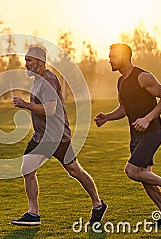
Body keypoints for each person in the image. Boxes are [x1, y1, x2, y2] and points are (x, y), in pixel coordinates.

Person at [11, 44, 107, 226]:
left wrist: (26, 104)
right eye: (26, 60)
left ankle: (97, 203)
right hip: (41, 136)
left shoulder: (47, 80)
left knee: (74, 170)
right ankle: (33, 214)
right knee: (28, 170)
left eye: (29, 60)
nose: (26, 64)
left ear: (40, 61)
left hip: (56, 136)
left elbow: (50, 109)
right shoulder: (39, 79)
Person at [94, 43, 161, 225]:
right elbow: (124, 109)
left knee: (132, 171)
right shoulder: (121, 82)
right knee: (145, 178)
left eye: (113, 57)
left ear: (125, 57)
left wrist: (147, 118)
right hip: (135, 135)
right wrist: (107, 117)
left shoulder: (143, 77)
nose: (109, 60)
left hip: (152, 133)